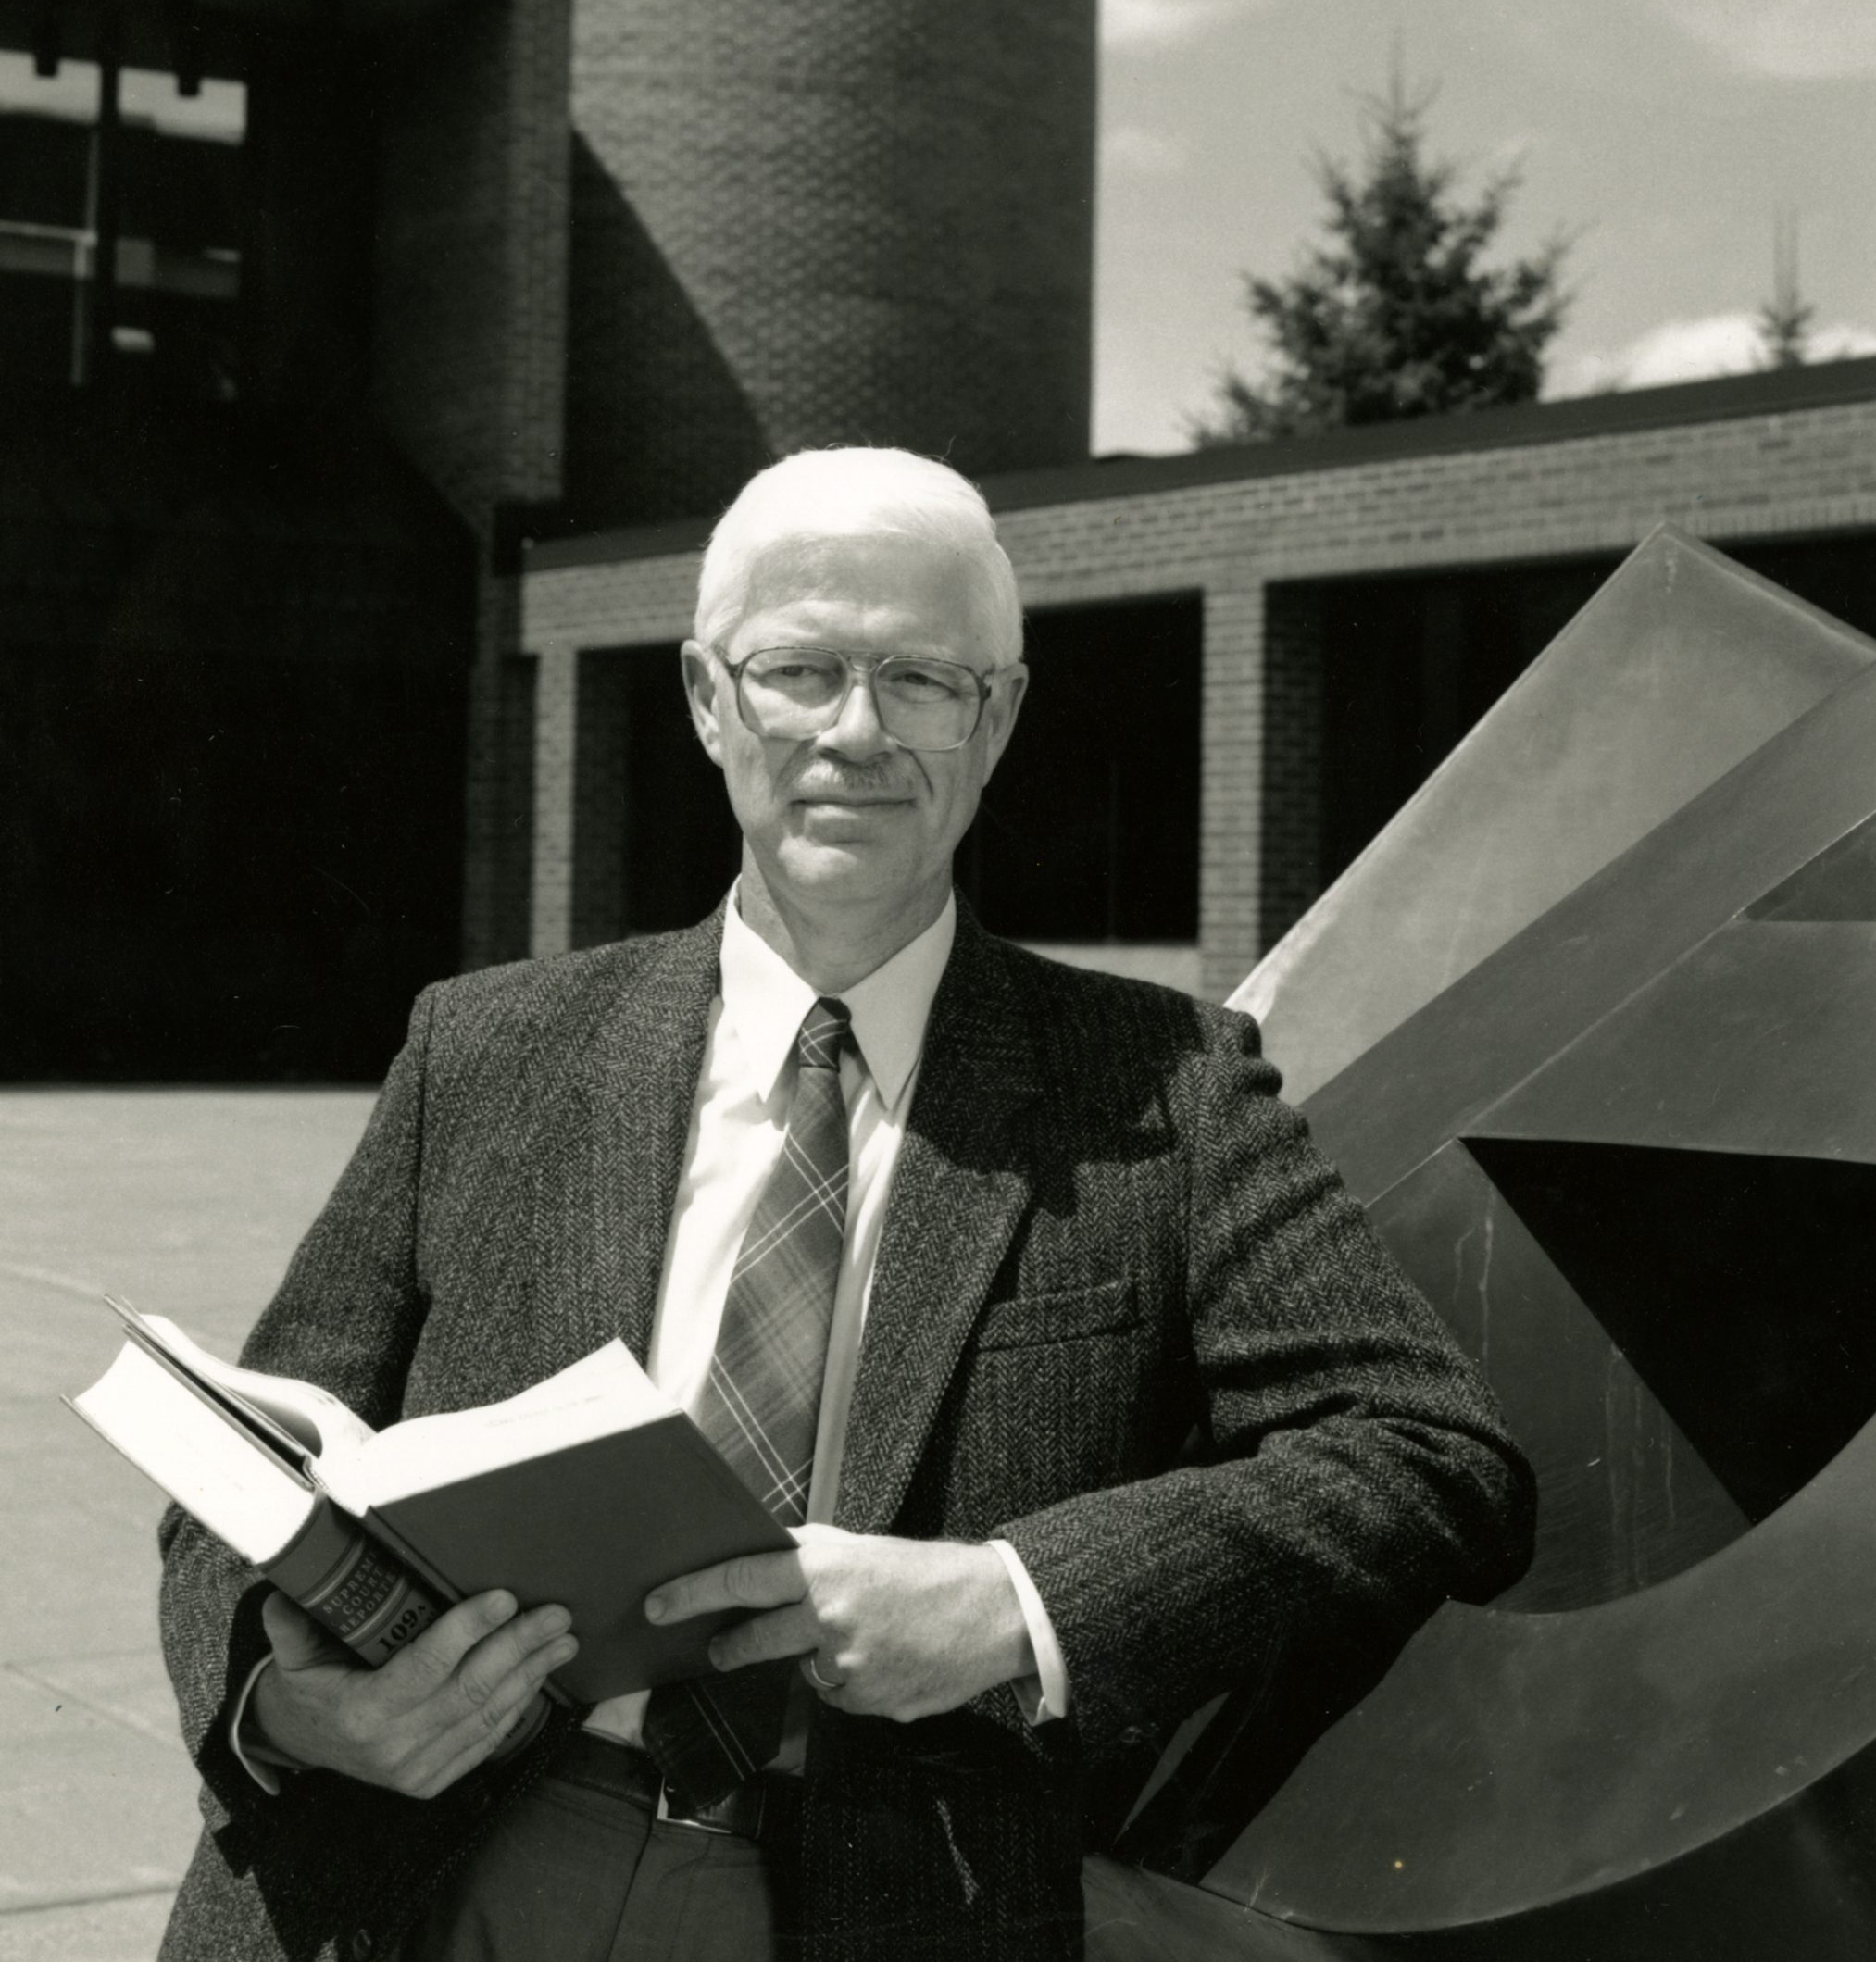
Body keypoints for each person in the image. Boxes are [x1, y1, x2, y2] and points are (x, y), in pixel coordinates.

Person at [156, 446, 1534, 1962]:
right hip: (422, 1871)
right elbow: (237, 1474)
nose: (855, 733)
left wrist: (1017, 1605)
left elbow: (1430, 1456)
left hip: (881, 1901)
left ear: (996, 715)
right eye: (798, 670)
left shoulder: (1166, 1088)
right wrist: (297, 1709)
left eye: (923, 680)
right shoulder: (484, 1049)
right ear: (704, 700)